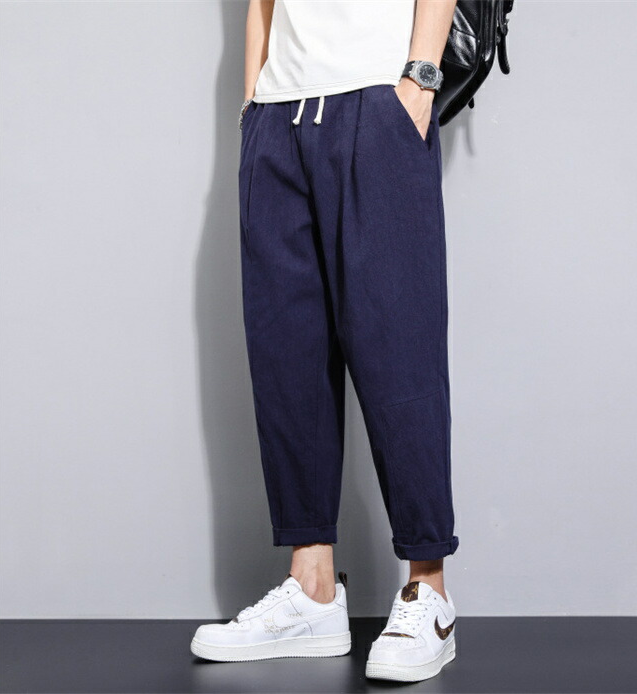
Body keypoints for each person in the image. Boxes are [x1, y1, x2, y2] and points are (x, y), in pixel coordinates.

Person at [191, 0, 459, 682]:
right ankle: (311, 590)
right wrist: (253, 107)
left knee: (399, 350)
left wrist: (420, 80)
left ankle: (429, 591)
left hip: (378, 99)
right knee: (287, 356)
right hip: (277, 116)